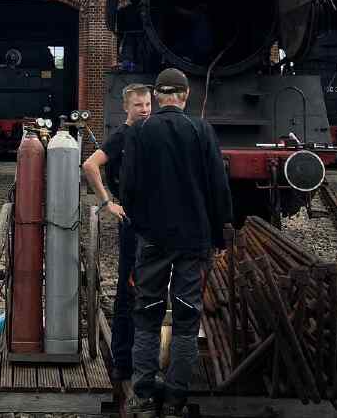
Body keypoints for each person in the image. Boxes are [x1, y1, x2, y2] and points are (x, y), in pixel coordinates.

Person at [120, 67, 233, 418]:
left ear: (156, 96)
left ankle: (143, 395)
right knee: (187, 316)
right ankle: (175, 399)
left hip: (153, 238)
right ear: (185, 96)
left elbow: (127, 188)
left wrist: (141, 226)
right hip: (194, 239)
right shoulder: (201, 130)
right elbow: (219, 188)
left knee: (147, 313)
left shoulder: (139, 131)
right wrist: (218, 235)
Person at [81, 83, 152, 382]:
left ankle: (141, 356)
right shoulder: (122, 135)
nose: (145, 110)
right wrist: (107, 202)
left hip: (151, 220)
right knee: (129, 287)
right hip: (132, 221)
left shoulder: (151, 132)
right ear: (126, 107)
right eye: (138, 105)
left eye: (148, 104)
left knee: (147, 285)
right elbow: (90, 165)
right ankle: (123, 359)